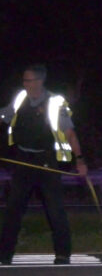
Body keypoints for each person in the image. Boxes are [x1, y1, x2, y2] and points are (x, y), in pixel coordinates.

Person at [0, 64, 88, 265]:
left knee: (55, 209)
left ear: (40, 81)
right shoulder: (20, 99)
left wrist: (80, 160)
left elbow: (69, 133)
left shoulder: (55, 103)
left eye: (29, 80)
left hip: (47, 162)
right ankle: (4, 255)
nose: (25, 84)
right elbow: (4, 115)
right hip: (23, 160)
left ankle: (63, 254)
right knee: (13, 209)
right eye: (24, 80)